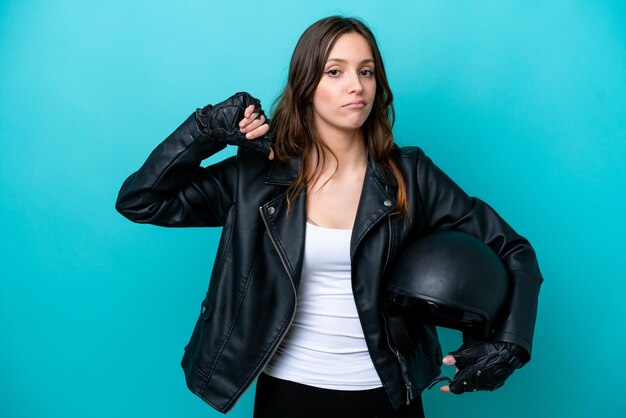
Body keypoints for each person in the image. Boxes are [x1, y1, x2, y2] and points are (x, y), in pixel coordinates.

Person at [115, 15, 543, 418]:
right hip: (288, 393)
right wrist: (205, 127)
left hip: (389, 396)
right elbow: (141, 201)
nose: (355, 86)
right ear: (306, 86)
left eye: (367, 71)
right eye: (334, 71)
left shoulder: (410, 174)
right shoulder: (256, 175)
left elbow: (513, 250)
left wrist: (509, 342)